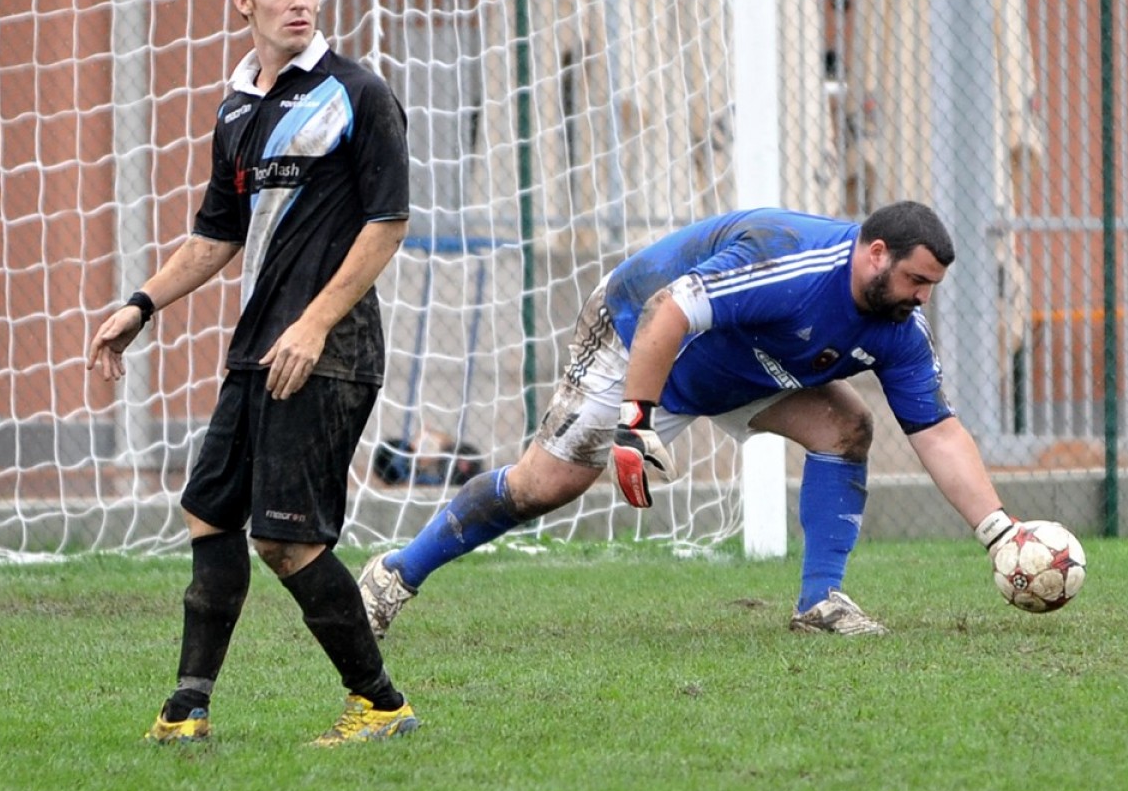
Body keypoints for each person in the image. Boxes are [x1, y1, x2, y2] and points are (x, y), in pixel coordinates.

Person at [359, 201, 1028, 639]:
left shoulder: (898, 327)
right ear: (876, 252)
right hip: (637, 335)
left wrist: (999, 533)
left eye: (929, 288)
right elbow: (665, 313)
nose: (920, 300)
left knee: (846, 429)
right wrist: (633, 424)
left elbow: (937, 430)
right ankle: (395, 573)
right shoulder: (786, 260)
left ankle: (820, 603)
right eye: (916, 281)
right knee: (544, 487)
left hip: (740, 368)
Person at [87, 0, 418, 746]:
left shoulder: (358, 92)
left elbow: (388, 223)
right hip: (255, 348)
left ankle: (379, 704)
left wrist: (312, 323)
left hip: (326, 351)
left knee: (284, 538)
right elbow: (214, 236)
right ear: (244, 3)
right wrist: (139, 305)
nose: (298, 3)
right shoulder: (236, 107)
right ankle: (187, 709)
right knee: (209, 511)